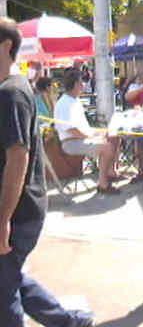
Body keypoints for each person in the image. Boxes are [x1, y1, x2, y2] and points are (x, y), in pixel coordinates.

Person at [0, 17, 94, 327]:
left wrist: (2, 221)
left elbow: (17, 158)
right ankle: (70, 321)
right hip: (21, 210)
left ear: (6, 47)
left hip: (19, 212)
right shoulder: (11, 89)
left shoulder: (11, 94)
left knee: (4, 289)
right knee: (9, 276)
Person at [54, 69, 121, 195]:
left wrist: (101, 132)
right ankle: (103, 184)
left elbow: (82, 128)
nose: (83, 84)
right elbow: (72, 130)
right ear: (75, 85)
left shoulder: (75, 101)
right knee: (106, 147)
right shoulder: (64, 103)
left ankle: (112, 172)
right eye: (81, 82)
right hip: (71, 143)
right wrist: (92, 137)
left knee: (114, 136)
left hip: (81, 138)